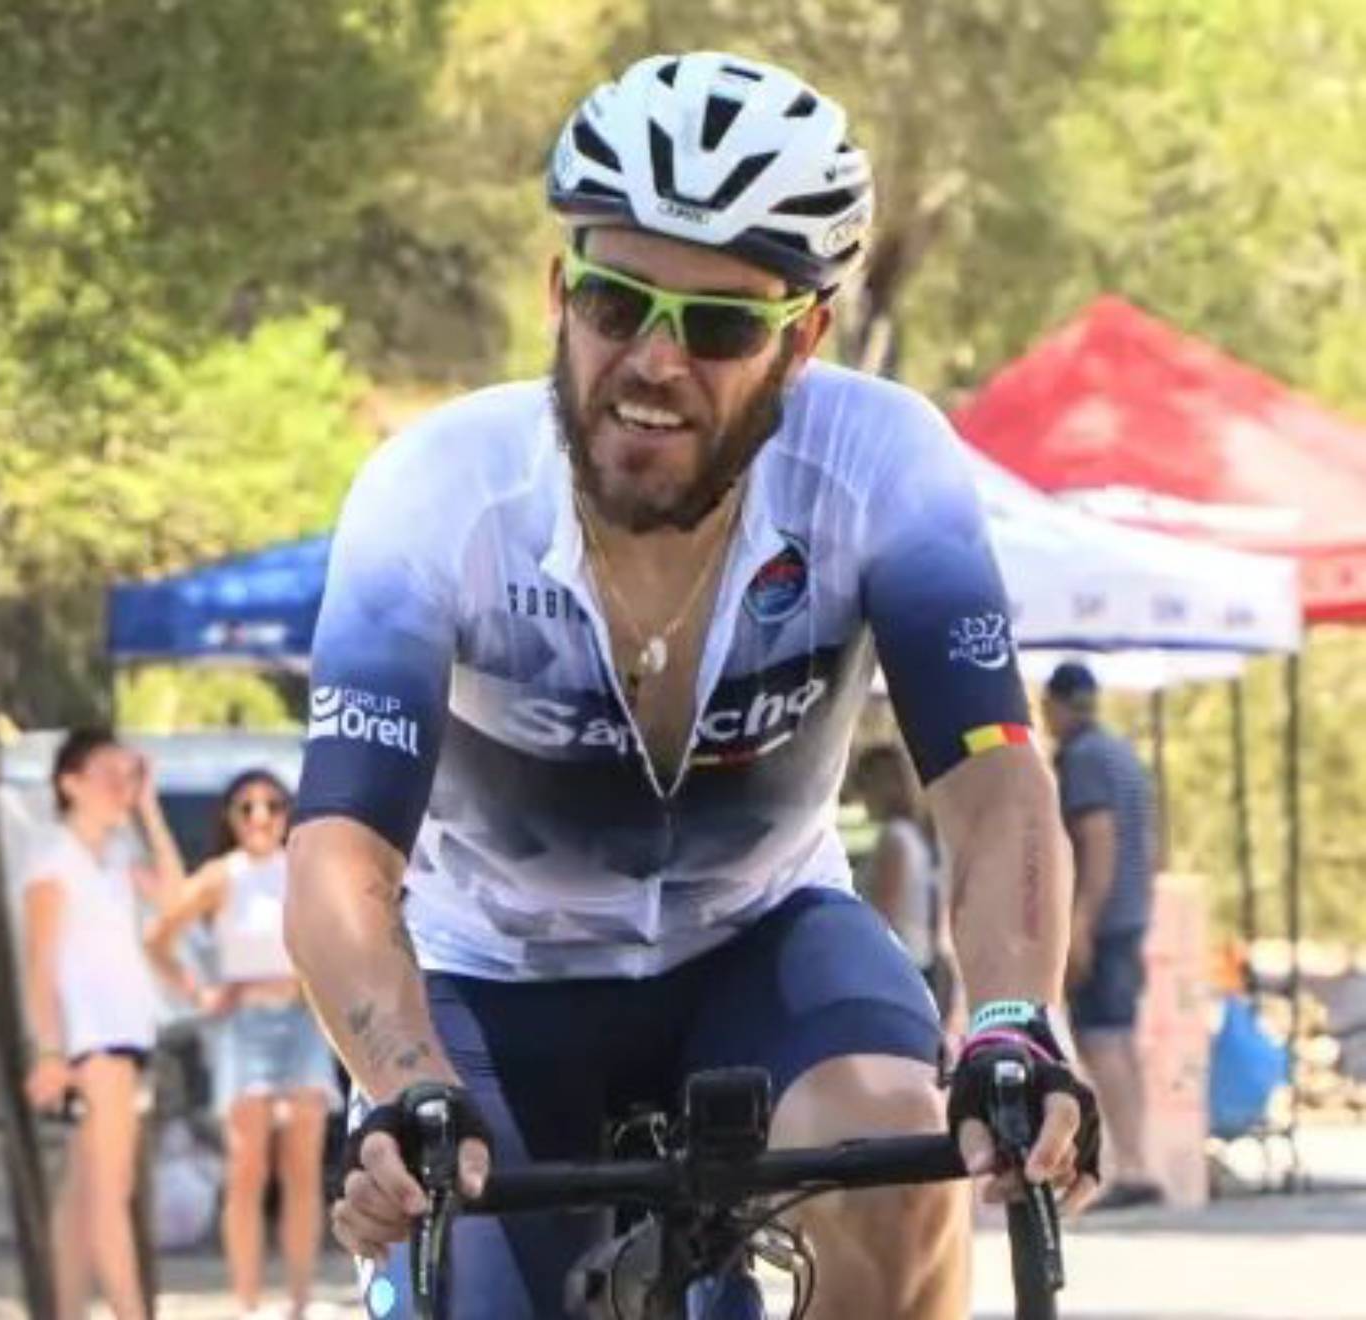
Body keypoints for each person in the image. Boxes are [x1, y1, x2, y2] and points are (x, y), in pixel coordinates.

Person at [284, 51, 1104, 1320]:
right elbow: (340, 850)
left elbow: (994, 780)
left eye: (720, 326)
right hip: (491, 969)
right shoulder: (436, 494)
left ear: (805, 339)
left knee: (903, 1150)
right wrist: (401, 1079)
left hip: (758, 939)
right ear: (561, 295)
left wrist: (1011, 1017)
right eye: (619, 305)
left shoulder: (885, 466)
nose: (655, 363)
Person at [146, 770, 340, 1320]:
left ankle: (298, 1301)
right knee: (247, 1165)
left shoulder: (302, 872)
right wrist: (197, 990)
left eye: (272, 806)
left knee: (302, 1165)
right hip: (243, 1020)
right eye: (246, 807)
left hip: (301, 1019)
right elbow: (159, 936)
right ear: (230, 818)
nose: (260, 817)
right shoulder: (220, 875)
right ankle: (248, 1301)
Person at [19, 728, 185, 1320]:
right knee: (108, 1195)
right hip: (91, 1042)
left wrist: (149, 808)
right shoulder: (52, 861)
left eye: (127, 774)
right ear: (70, 783)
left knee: (84, 1197)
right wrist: (47, 1051)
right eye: (107, 776)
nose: (121, 787)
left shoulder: (116, 857)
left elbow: (174, 897)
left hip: (125, 1034)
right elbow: (38, 965)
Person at [1041, 660, 1164, 1209]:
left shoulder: (1084, 758)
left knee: (1102, 1037)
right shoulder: (1120, 752)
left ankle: (1134, 1165)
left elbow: (1098, 837)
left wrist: (1081, 921)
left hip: (1105, 915)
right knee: (1120, 1037)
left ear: (1057, 706)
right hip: (1132, 911)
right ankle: (1141, 1157)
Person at [852, 744, 962, 1032]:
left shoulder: (895, 838)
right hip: (931, 962)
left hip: (900, 967)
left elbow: (883, 918)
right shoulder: (929, 838)